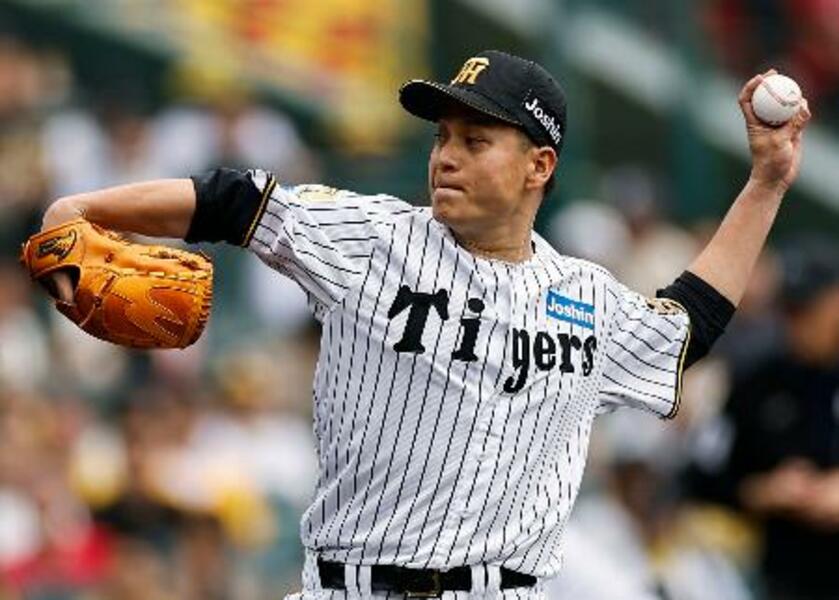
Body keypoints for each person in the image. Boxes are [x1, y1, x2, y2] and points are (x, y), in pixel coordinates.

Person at [37, 50, 810, 598]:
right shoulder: (372, 238)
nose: (446, 157)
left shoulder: (586, 296)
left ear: (539, 166)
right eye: (442, 137)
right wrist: (82, 207)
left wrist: (767, 183)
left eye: (475, 141)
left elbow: (685, 329)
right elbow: (230, 198)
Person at [687, 239, 839, 600]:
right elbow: (701, 474)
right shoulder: (757, 382)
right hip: (779, 576)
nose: (796, 323)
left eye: (808, 310)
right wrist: (761, 491)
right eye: (789, 310)